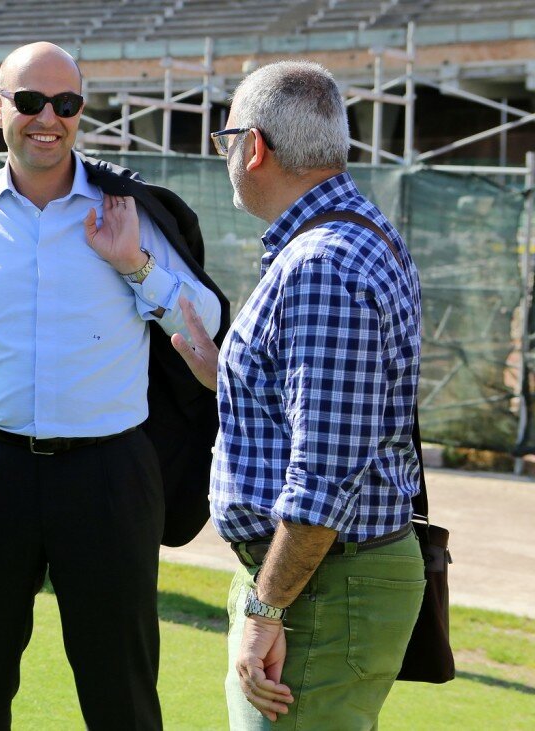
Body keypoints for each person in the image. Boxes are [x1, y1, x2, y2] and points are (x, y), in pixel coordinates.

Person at [0, 41, 225, 729]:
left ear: (80, 112)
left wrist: (135, 263)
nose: (48, 118)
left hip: (110, 473)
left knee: (121, 692)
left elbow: (206, 323)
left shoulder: (127, 210)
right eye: (30, 101)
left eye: (66, 104)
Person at [204, 60, 425, 729]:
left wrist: (266, 610)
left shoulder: (322, 263)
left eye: (226, 138)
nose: (227, 156)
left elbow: (324, 472)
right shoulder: (346, 235)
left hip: (319, 586)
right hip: (318, 577)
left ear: (256, 146)